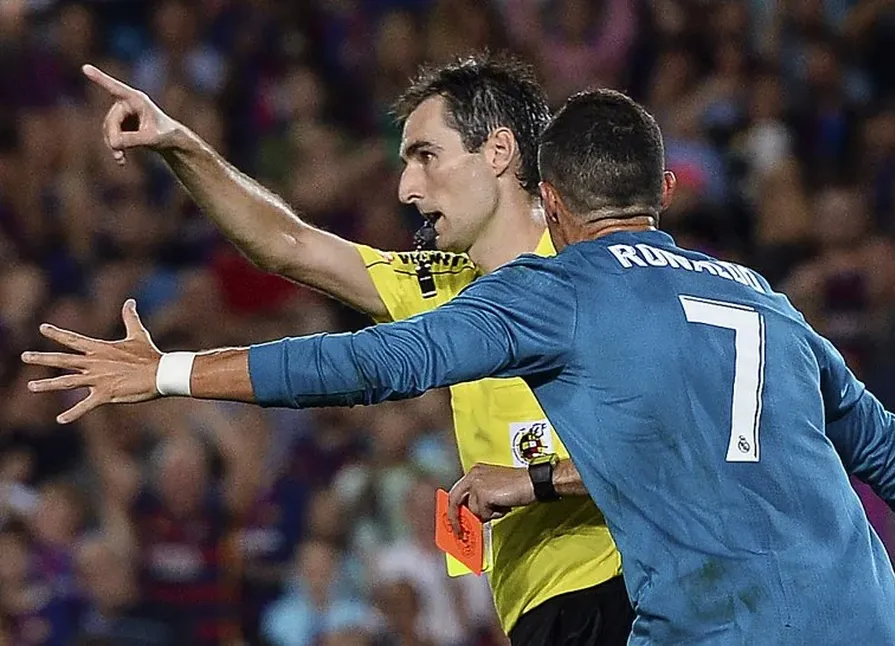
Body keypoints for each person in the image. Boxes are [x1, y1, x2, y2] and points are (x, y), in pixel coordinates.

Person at [23, 89, 895, 644]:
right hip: (849, 609)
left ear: (523, 171)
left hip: (660, 603)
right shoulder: (750, 291)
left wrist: (172, 374)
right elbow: (850, 422)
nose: (404, 185)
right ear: (655, 188)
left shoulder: (558, 289)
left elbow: (370, 366)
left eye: (424, 155)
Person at [74, 53, 632, 644]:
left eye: (426, 156)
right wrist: (179, 143)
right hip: (537, 609)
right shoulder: (436, 284)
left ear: (497, 152)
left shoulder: (595, 271)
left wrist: (531, 481)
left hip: (624, 587)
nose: (406, 188)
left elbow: (676, 443)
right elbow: (287, 243)